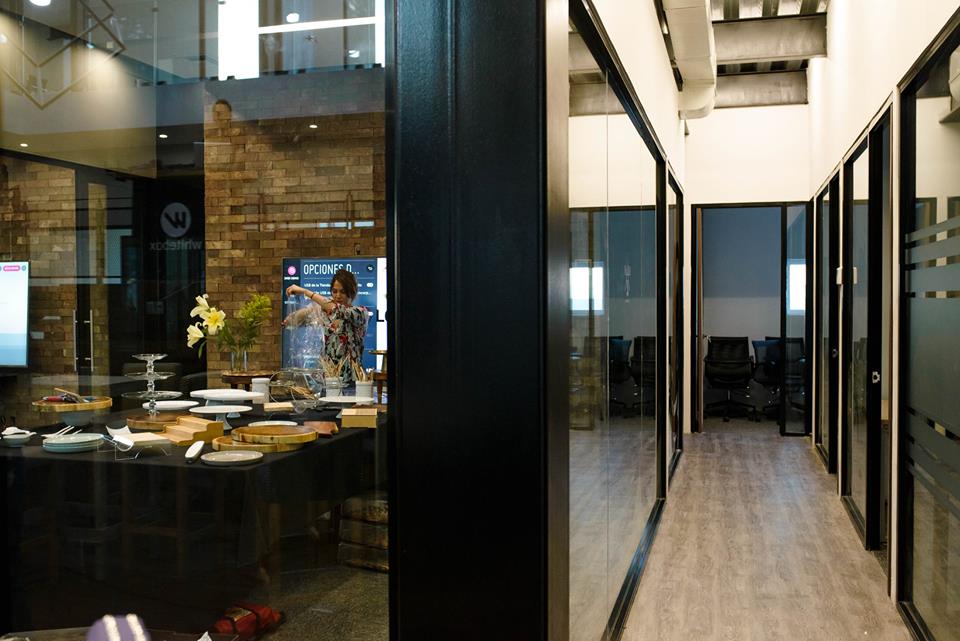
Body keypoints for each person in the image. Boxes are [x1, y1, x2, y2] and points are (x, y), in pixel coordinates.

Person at [283, 269, 369, 380]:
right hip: (328, 377)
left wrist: (305, 291)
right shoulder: (325, 312)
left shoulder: (360, 312)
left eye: (342, 292)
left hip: (352, 378)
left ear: (352, 292)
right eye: (334, 291)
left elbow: (335, 309)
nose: (338, 296)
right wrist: (307, 311)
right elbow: (293, 320)